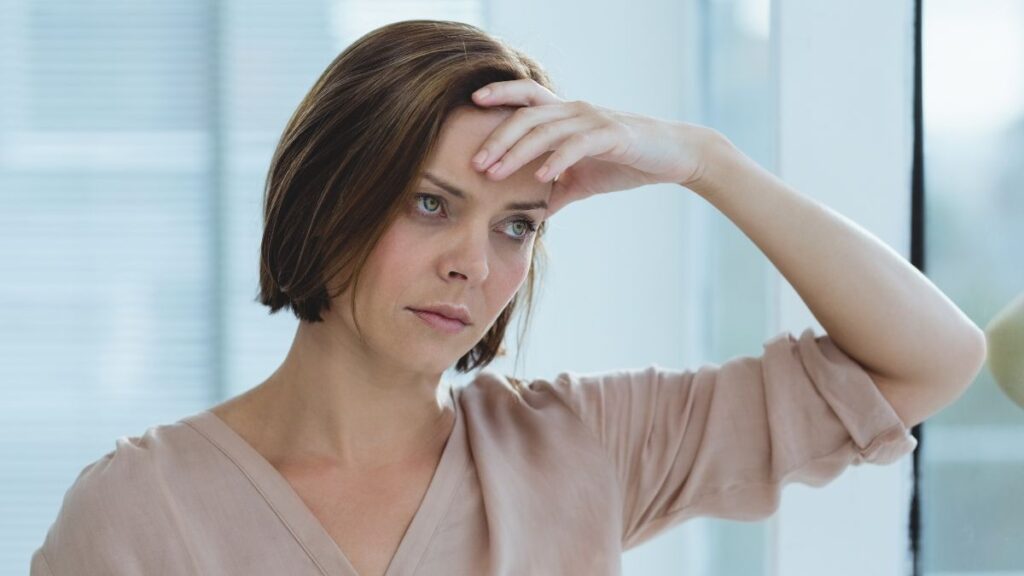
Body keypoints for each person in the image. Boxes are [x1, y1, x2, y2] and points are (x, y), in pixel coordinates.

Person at [30, 19, 985, 576]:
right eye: (431, 203)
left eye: (517, 224)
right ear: (327, 202)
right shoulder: (139, 512)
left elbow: (934, 359)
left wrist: (708, 163)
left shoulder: (582, 448)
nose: (473, 264)